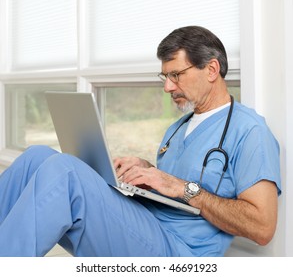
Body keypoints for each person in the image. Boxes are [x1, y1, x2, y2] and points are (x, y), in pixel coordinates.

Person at [0, 26, 281, 257]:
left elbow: (263, 228)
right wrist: (145, 171)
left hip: (178, 250)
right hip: (144, 223)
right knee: (37, 156)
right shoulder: (179, 126)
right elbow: (173, 184)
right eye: (165, 76)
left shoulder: (250, 130)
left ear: (211, 70)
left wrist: (180, 187)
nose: (167, 87)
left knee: (66, 171)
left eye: (176, 75)